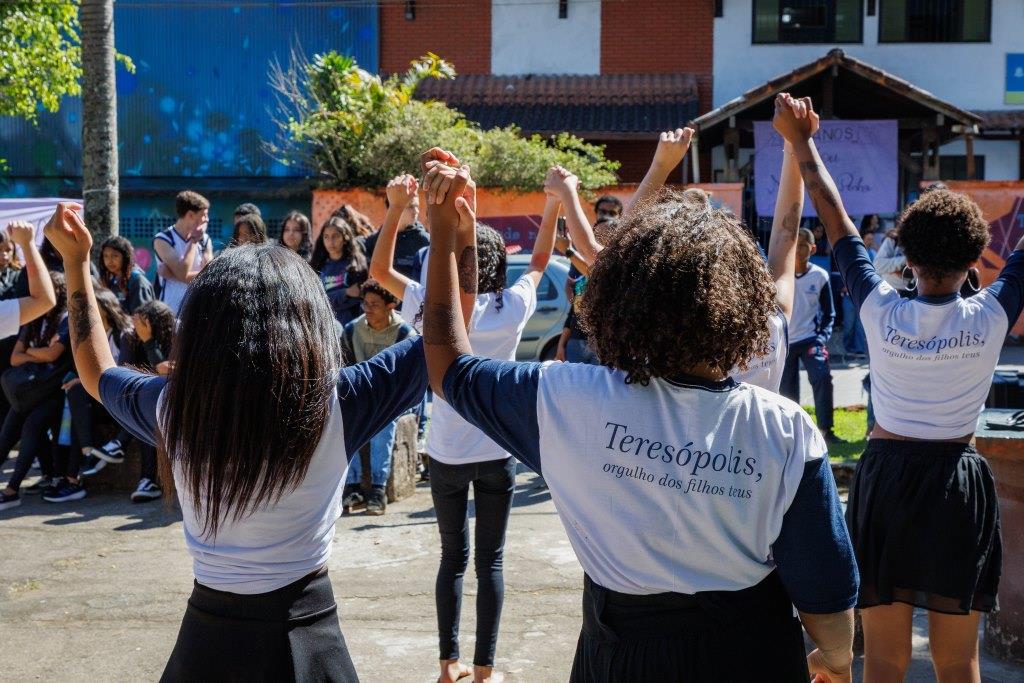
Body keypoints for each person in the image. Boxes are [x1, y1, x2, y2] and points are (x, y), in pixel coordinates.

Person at [419, 148, 857, 682]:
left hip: (621, 655)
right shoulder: (786, 430)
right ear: (743, 303)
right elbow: (827, 598)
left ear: (617, 296)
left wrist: (446, 233)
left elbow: (448, 369)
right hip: (752, 652)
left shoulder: (566, 400)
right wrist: (835, 659)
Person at [44, 202, 429, 680]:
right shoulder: (335, 405)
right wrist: (453, 234)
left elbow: (94, 369)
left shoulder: (174, 407)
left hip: (203, 647)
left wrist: (77, 262)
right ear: (309, 326)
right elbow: (446, 336)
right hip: (309, 644)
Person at [777, 96, 1023, 682]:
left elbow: (834, 217)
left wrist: (803, 141)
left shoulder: (879, 308)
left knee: (884, 658)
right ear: (975, 260)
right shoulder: (991, 315)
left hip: (885, 479)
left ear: (905, 259)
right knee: (959, 660)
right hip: (958, 484)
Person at [369, 164, 558, 683]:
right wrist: (556, 203)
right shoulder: (511, 307)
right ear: (498, 265)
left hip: (446, 454)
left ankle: (447, 665)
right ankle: (483, 671)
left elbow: (380, 271)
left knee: (452, 559)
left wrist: (394, 211)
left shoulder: (434, 308)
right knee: (490, 563)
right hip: (496, 454)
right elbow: (540, 260)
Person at [81, 300, 177, 502]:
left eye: (142, 323)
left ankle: (120, 446)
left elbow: (164, 369)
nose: (136, 327)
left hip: (168, 402)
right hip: (141, 403)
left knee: (152, 414)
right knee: (145, 411)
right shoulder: (131, 338)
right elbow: (124, 373)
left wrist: (149, 341)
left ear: (154, 324)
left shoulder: (176, 338)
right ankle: (146, 480)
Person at [45, 287, 132, 503]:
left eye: (93, 311)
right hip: (99, 400)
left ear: (107, 310)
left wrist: (83, 382)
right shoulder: (92, 338)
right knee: (74, 396)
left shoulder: (125, 335)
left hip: (120, 400)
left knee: (77, 391)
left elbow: (123, 375)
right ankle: (85, 456)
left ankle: (76, 474)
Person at [339, 280, 417, 516]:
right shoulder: (352, 330)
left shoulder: (405, 333)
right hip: (362, 395)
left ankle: (377, 489)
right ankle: (352, 487)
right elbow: (346, 370)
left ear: (391, 305)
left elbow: (408, 379)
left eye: (374, 304)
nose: (368, 309)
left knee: (383, 423)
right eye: (365, 303)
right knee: (344, 417)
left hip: (393, 399)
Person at [0, 270, 67, 510]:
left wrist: (30, 352)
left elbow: (53, 354)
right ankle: (47, 474)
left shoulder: (65, 319)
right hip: (31, 390)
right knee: (8, 430)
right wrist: (35, 354)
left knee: (31, 426)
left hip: (55, 391)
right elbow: (14, 358)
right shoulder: (32, 320)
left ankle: (12, 490)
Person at [780, 228, 838, 443]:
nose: (799, 249)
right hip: (786, 340)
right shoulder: (780, 275)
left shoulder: (820, 276)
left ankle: (826, 430)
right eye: (796, 244)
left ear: (812, 249)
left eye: (804, 245)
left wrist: (822, 338)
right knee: (786, 389)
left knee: (822, 376)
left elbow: (829, 314)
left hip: (810, 339)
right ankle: (791, 433)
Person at [154, 190, 213, 315]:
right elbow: (183, 272)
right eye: (204, 215)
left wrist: (172, 275)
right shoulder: (163, 239)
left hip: (197, 309)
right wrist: (193, 240)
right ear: (191, 215)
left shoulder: (205, 240)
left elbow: (210, 276)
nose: (207, 220)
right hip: (170, 311)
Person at [363, 176, 431, 282]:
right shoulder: (375, 241)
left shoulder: (425, 241)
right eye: (410, 207)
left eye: (417, 206)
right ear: (391, 207)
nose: (416, 211)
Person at [311, 215, 368, 325]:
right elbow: (318, 301)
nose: (330, 241)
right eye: (326, 237)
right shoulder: (318, 265)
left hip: (351, 326)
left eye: (335, 236)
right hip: (326, 325)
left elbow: (358, 296)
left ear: (345, 237)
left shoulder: (356, 264)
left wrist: (332, 297)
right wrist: (345, 293)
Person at [98, 235, 155, 314]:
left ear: (125, 257)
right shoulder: (111, 281)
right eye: (106, 256)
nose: (109, 261)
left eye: (115, 256)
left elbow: (142, 318)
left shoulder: (137, 282)